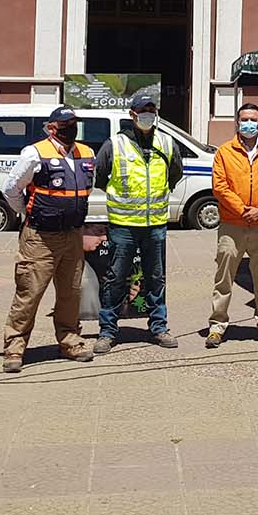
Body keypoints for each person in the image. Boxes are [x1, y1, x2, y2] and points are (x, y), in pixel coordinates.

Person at [0, 107, 96, 372]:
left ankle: (70, 341)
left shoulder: (87, 153)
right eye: (65, 124)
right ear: (52, 127)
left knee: (71, 293)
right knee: (29, 293)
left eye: (74, 124)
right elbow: (11, 189)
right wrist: (29, 211)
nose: (71, 129)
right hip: (40, 236)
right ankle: (15, 348)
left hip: (73, 234)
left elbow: (86, 189)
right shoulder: (35, 152)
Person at [93, 94, 182, 353]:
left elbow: (175, 173)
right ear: (132, 114)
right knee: (115, 278)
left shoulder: (167, 142)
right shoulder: (115, 144)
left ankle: (159, 327)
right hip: (123, 225)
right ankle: (107, 331)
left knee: (156, 278)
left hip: (155, 224)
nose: (147, 114)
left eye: (151, 110)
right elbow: (100, 175)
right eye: (142, 110)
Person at [206, 103, 258, 348]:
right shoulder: (224, 152)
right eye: (244, 119)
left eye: (253, 119)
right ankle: (217, 326)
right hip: (232, 224)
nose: (249, 123)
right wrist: (242, 210)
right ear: (237, 122)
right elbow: (220, 186)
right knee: (224, 277)